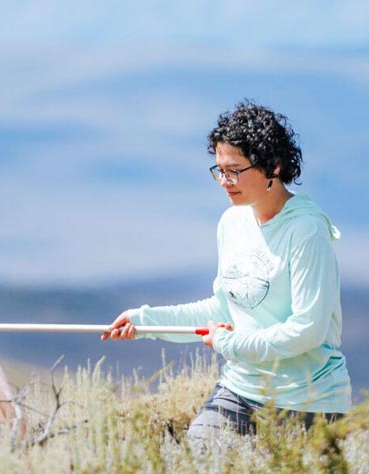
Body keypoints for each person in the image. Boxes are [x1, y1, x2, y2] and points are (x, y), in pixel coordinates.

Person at [103, 101, 350, 443]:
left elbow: (308, 330)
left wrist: (230, 344)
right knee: (201, 456)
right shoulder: (231, 223)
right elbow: (223, 310)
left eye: (234, 170)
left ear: (273, 167)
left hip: (309, 400)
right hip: (241, 389)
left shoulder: (307, 230)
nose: (224, 181)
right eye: (219, 170)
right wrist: (144, 321)